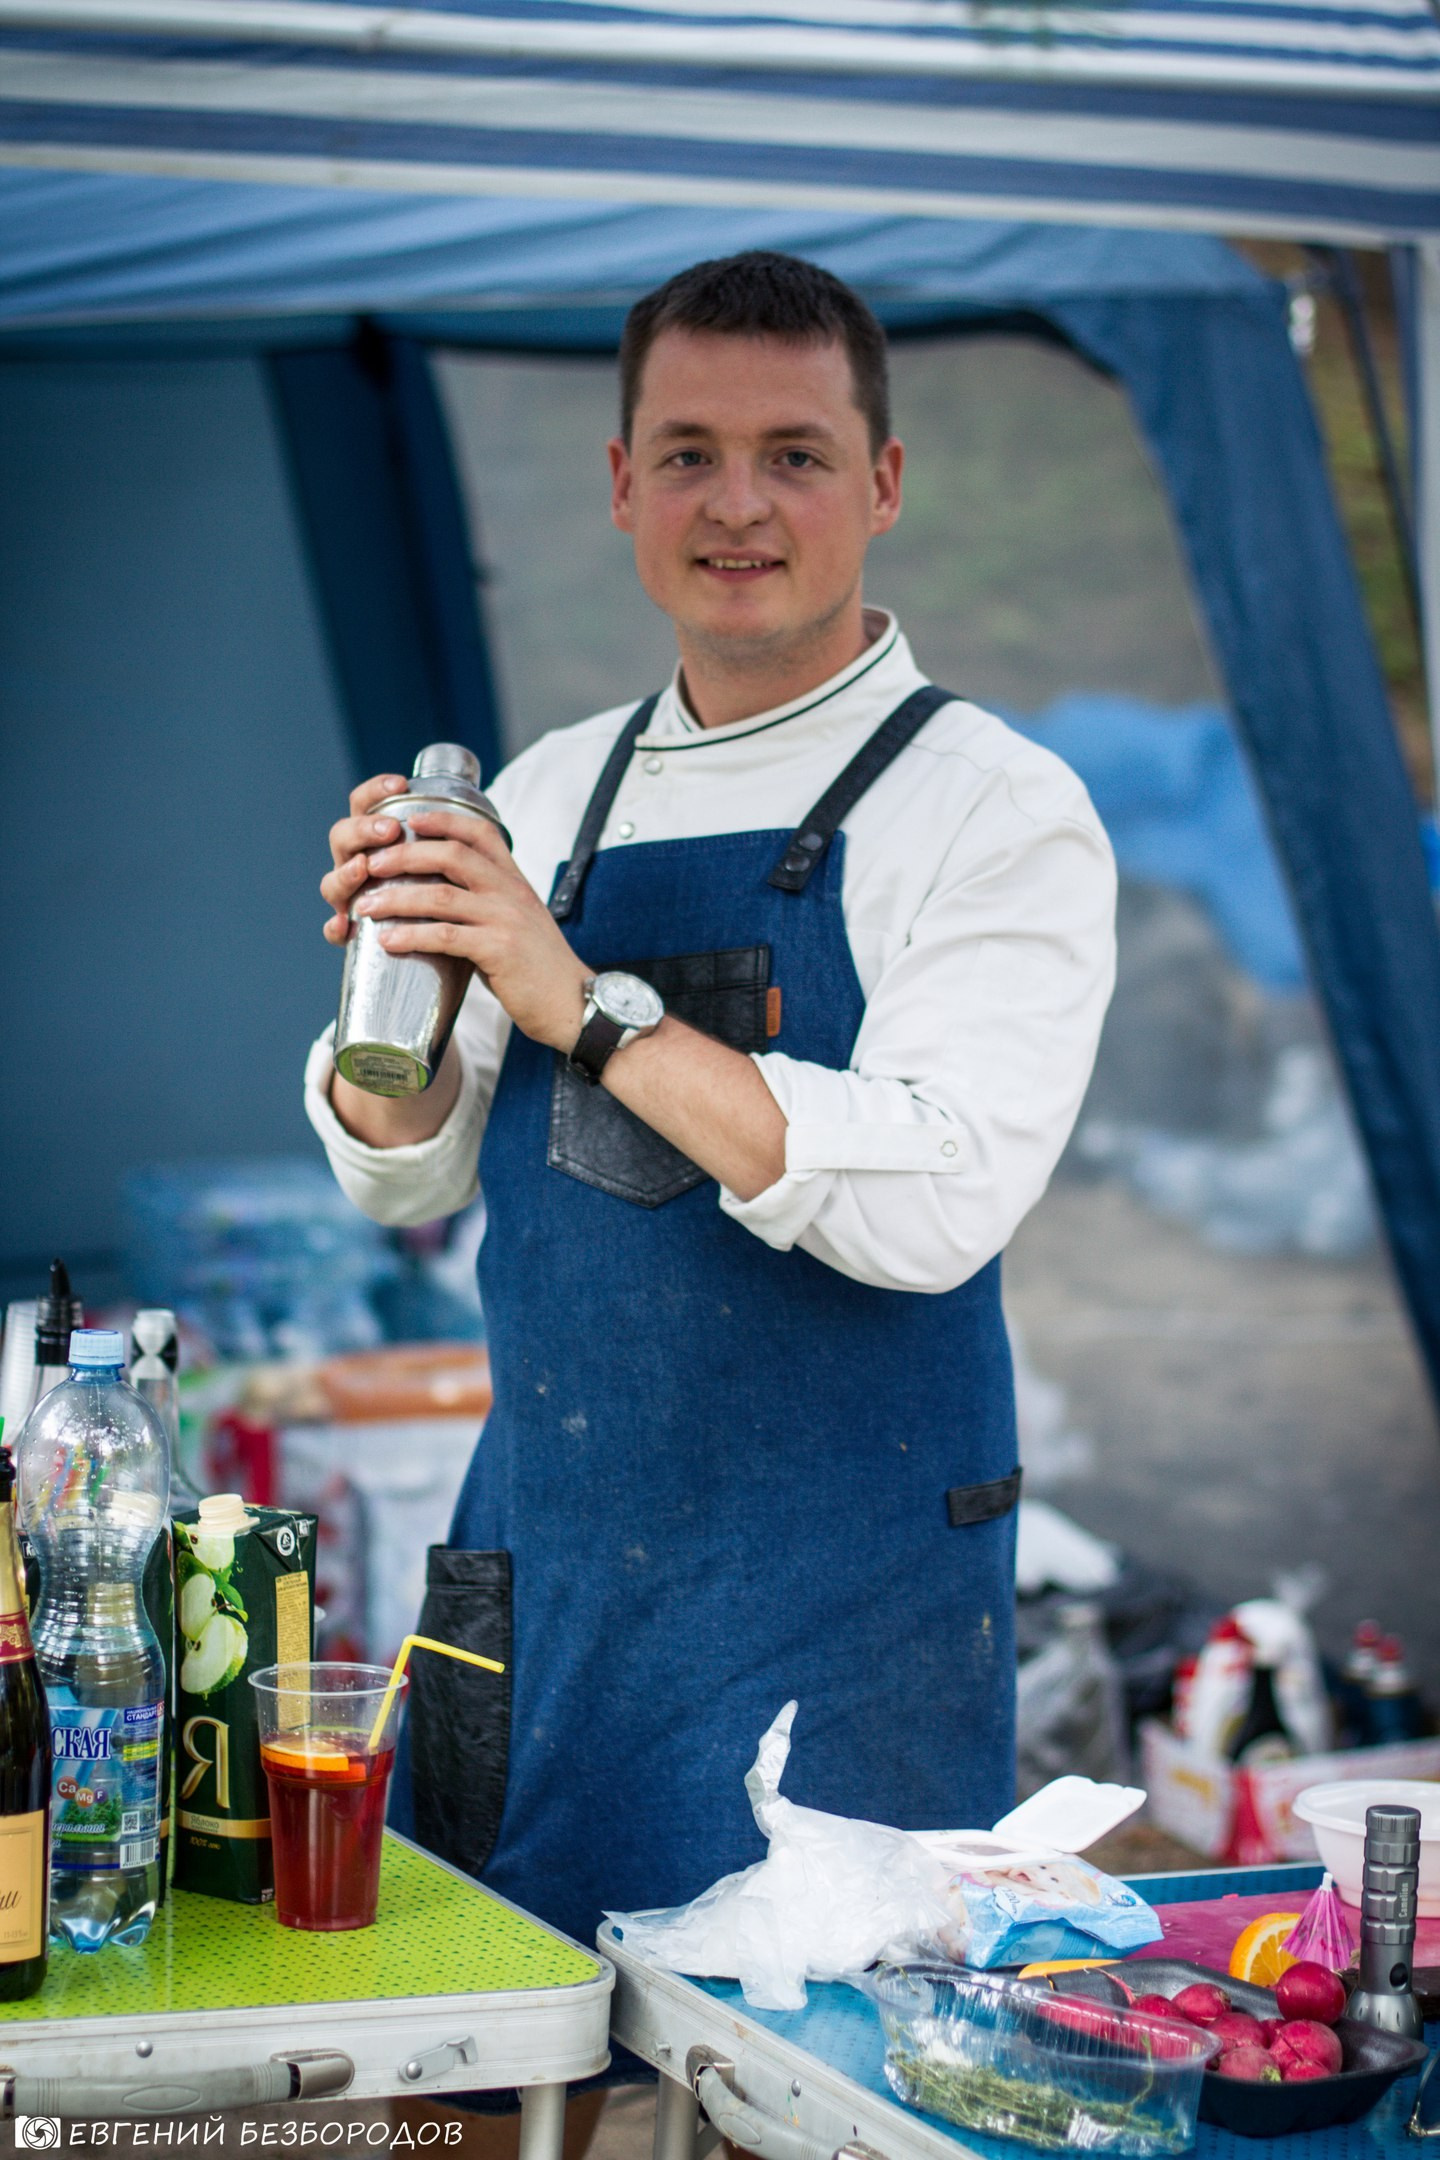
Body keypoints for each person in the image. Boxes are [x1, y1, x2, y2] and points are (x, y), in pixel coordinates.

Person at [307, 252, 1116, 1957]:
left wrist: (584, 1006)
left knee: (796, 2070)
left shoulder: (994, 809)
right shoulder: (547, 793)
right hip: (549, 1589)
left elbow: (934, 1201)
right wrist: (402, 996)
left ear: (883, 484)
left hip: (841, 1632)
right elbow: (405, 1176)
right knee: (513, 2047)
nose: (737, 505)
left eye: (794, 455)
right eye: (688, 453)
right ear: (622, 485)